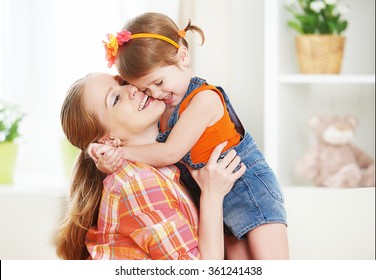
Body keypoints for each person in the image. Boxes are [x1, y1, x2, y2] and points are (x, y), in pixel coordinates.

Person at [91, 12, 289, 260]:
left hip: (247, 186)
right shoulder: (161, 111)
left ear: (183, 57)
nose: (155, 93)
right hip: (212, 194)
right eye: (144, 89)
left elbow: (169, 153)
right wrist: (103, 153)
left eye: (159, 81)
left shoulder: (204, 99)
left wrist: (119, 153)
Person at [55, 72, 246, 260]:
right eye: (115, 99)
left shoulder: (164, 162)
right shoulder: (138, 182)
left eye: (123, 82)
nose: (131, 89)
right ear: (107, 139)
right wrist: (212, 195)